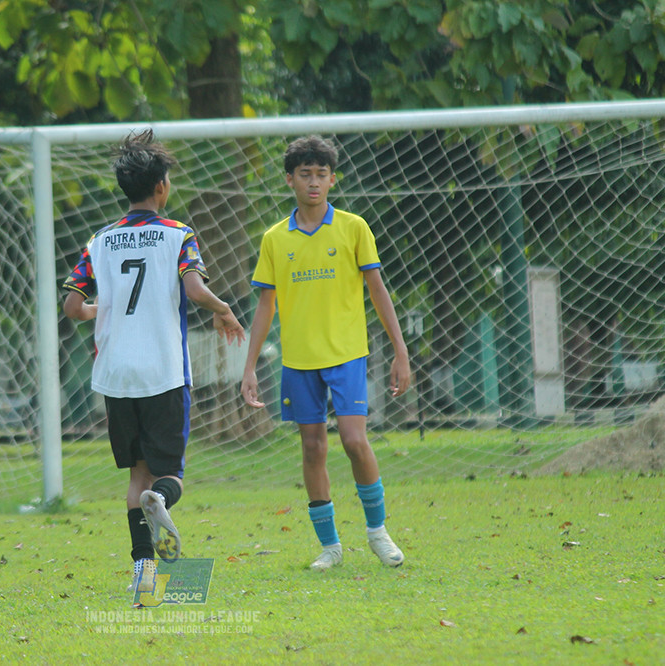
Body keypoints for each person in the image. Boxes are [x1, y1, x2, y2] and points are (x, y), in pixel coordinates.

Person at [62, 129, 245, 591]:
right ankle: (160, 500)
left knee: (134, 475)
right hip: (162, 372)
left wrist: (92, 310)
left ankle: (143, 571)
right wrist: (223, 310)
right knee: (167, 476)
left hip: (115, 375)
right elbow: (195, 290)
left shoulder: (99, 241)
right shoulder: (179, 235)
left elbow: (72, 305)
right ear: (162, 187)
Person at [240, 135, 412, 570]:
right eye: (305, 175)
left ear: (333, 179)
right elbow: (265, 306)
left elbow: (378, 291)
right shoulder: (275, 239)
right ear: (289, 180)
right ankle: (330, 546)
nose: (313, 183)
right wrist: (249, 367)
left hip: (348, 355)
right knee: (313, 448)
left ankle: (378, 533)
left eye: (321, 175)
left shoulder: (354, 228)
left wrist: (400, 350)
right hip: (298, 362)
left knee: (354, 441)